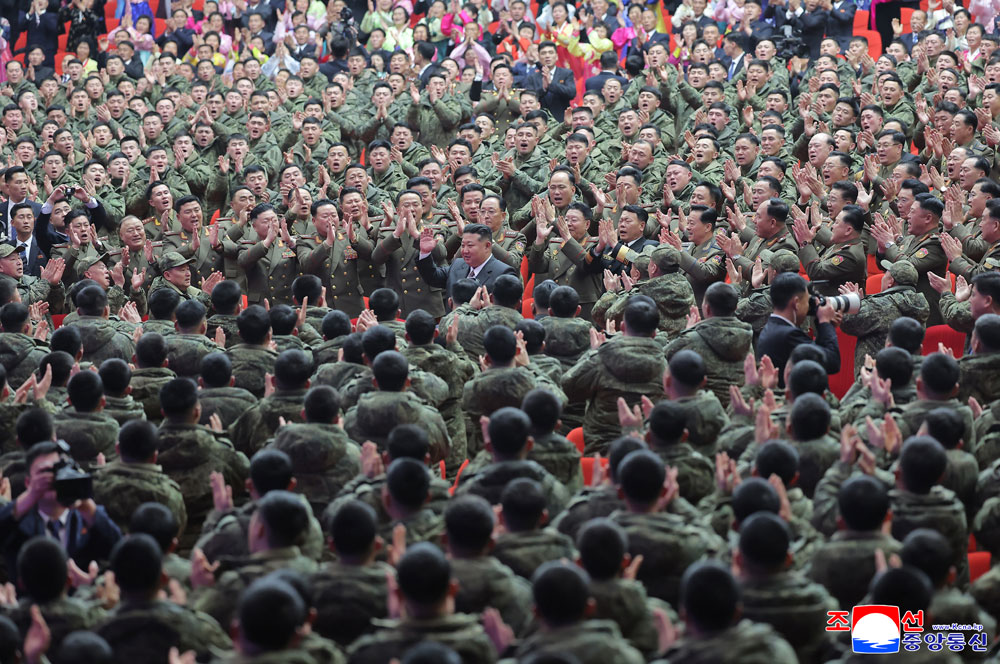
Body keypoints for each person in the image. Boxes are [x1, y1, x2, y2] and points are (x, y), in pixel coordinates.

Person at [0, 441, 123, 575]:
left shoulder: (87, 517)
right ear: (28, 482)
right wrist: (30, 496)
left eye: (59, 470)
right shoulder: (19, 520)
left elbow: (120, 552)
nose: (53, 477)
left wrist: (86, 505)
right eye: (45, 471)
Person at [756, 273, 840, 386]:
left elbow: (817, 352)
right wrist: (825, 322)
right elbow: (832, 362)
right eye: (806, 301)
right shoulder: (788, 335)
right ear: (796, 303)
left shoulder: (772, 328)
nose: (808, 307)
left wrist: (823, 324)